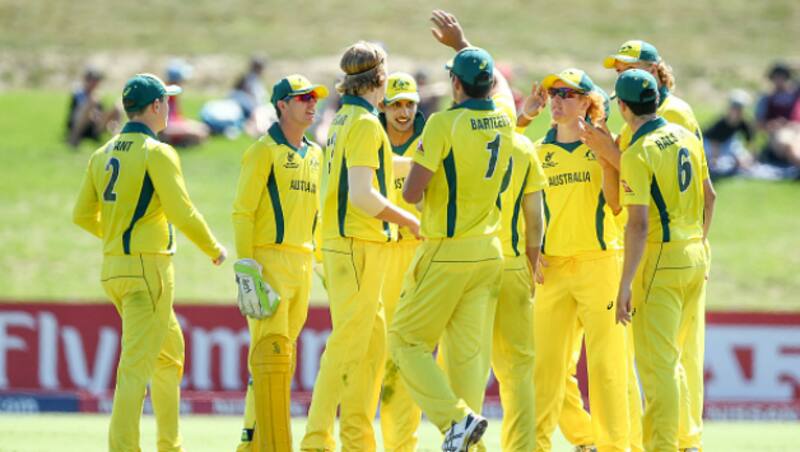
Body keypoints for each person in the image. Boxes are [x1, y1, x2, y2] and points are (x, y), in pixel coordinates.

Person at [72, 73, 226, 451]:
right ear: (155, 106)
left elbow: (81, 215)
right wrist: (214, 249)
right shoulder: (157, 152)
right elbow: (182, 211)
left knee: (169, 357)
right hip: (148, 271)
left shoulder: (101, 152)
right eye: (167, 102)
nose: (169, 109)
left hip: (115, 270)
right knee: (135, 370)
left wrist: (116, 237)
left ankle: (169, 445)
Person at [388, 10, 514, 451]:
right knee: (466, 367)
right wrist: (465, 45)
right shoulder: (503, 118)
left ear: (457, 86)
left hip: (448, 251)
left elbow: (411, 193)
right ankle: (468, 434)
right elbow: (501, 87)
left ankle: (454, 421)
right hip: (489, 253)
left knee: (404, 341)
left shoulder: (443, 123)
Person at [300, 41, 420, 452]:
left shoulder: (344, 119)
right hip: (358, 244)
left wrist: (429, 160)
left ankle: (357, 442)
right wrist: (409, 219)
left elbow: (380, 166)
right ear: (381, 79)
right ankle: (316, 441)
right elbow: (364, 196)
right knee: (347, 346)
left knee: (370, 345)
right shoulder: (367, 124)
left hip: (344, 244)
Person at [520, 69, 631, 452]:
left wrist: (607, 159)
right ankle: (547, 443)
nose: (557, 100)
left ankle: (614, 446)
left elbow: (619, 203)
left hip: (599, 263)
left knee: (607, 366)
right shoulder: (537, 151)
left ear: (587, 101)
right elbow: (520, 203)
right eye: (553, 93)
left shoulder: (603, 144)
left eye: (568, 94)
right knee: (546, 368)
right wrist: (529, 254)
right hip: (551, 269)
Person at [614, 69, 716, 452]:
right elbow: (711, 198)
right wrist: (699, 246)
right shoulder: (688, 136)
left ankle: (662, 446)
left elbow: (637, 225)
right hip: (694, 255)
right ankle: (685, 442)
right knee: (673, 362)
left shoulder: (638, 153)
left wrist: (625, 283)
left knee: (657, 370)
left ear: (623, 108)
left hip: (661, 259)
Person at [232, 74, 328, 452]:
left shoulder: (315, 153)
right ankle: (265, 445)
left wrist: (321, 263)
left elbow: (315, 214)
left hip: (302, 263)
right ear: (282, 105)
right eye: (302, 98)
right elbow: (243, 211)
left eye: (313, 97)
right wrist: (246, 267)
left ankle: (253, 444)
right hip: (270, 260)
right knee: (270, 358)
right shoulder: (262, 151)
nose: (311, 103)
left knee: (279, 364)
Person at [377, 71, 427, 451]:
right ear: (384, 106)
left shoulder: (430, 140)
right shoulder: (369, 139)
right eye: (396, 104)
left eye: (409, 103)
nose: (404, 111)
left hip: (422, 256)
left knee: (417, 357)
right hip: (379, 258)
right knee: (382, 359)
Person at [755, 62, 800, 175]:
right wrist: (773, 125)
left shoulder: (795, 95)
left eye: (782, 77)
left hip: (796, 130)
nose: (779, 80)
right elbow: (759, 125)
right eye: (776, 77)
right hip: (777, 135)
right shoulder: (766, 98)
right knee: (789, 144)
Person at [703, 89, 755, 178]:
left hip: (727, 143)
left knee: (743, 158)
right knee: (710, 162)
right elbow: (714, 142)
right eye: (735, 107)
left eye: (740, 108)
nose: (737, 111)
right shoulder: (721, 123)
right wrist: (714, 162)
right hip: (708, 143)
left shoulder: (744, 123)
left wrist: (751, 156)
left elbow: (749, 141)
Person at [160, 60, 210, 147]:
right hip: (167, 129)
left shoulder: (174, 93)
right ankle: (173, 142)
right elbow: (164, 123)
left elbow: (177, 116)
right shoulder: (164, 94)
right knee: (198, 134)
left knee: (204, 128)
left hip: (174, 123)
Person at [66, 66, 120, 147]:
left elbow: (99, 112)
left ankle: (117, 140)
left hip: (95, 126)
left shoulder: (97, 96)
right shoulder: (79, 93)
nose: (95, 83)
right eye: (93, 80)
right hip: (78, 125)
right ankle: (73, 140)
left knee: (117, 107)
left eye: (97, 80)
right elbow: (81, 112)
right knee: (92, 102)